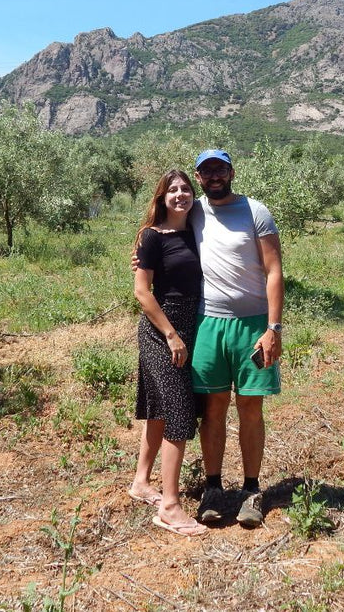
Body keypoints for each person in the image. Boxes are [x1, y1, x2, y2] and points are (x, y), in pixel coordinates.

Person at [190, 149, 284, 529]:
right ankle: (213, 489)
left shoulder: (256, 211)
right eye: (207, 170)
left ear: (231, 172)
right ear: (199, 177)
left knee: (249, 408)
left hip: (253, 325)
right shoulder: (192, 210)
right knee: (212, 410)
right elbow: (156, 230)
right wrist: (138, 255)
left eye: (220, 169)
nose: (214, 176)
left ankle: (250, 490)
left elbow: (274, 270)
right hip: (208, 324)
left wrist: (274, 329)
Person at [129, 169, 208, 537]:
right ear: (161, 197)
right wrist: (172, 335)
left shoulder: (198, 230)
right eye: (172, 190)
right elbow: (143, 292)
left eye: (185, 189)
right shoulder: (151, 236)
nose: (180, 194)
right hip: (163, 327)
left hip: (193, 322)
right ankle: (170, 506)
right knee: (178, 409)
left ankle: (142, 482)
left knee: (160, 407)